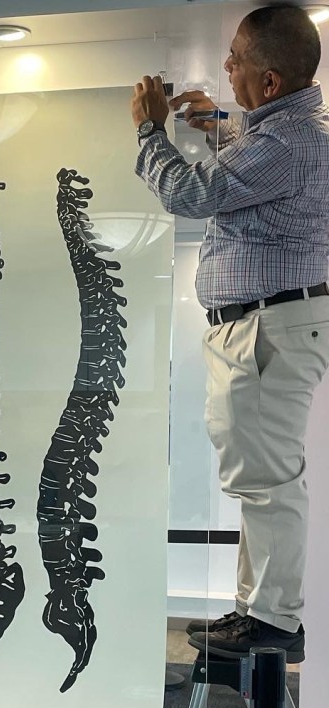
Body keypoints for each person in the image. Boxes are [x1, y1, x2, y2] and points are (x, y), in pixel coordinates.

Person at [132, 5, 329, 662]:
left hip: (264, 328)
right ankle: (258, 612)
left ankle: (274, 623)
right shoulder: (285, 133)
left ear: (270, 82)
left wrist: (149, 133)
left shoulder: (290, 140)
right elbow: (252, 174)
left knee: (267, 484)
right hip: (261, 327)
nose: (226, 67)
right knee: (259, 481)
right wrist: (217, 123)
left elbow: (190, 195)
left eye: (236, 58)